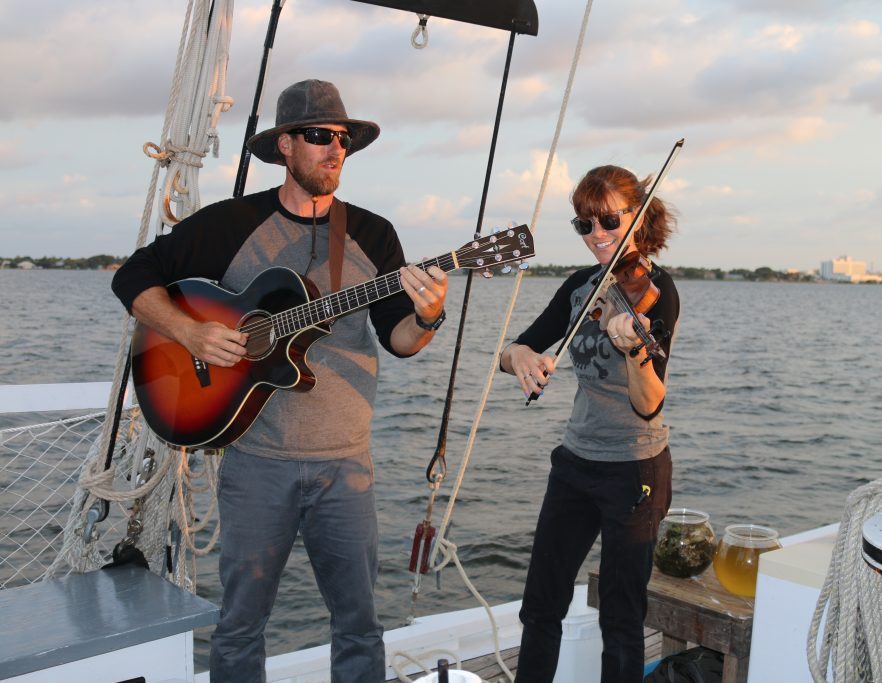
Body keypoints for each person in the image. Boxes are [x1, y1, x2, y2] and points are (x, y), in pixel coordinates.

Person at [112, 79, 449, 682]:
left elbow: (401, 340)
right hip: (257, 463)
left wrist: (427, 315)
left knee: (359, 623)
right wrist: (189, 334)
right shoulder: (229, 224)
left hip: (346, 466)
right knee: (241, 625)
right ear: (285, 146)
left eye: (342, 140)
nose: (334, 150)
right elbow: (134, 277)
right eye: (320, 137)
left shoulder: (371, 234)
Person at [500, 165, 679, 683]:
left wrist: (634, 353)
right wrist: (522, 359)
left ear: (638, 218)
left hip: (634, 468)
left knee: (621, 620)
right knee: (540, 606)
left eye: (607, 221)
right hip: (575, 462)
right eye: (585, 224)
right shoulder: (580, 286)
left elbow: (649, 404)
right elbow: (516, 347)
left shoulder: (657, 292)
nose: (597, 235)